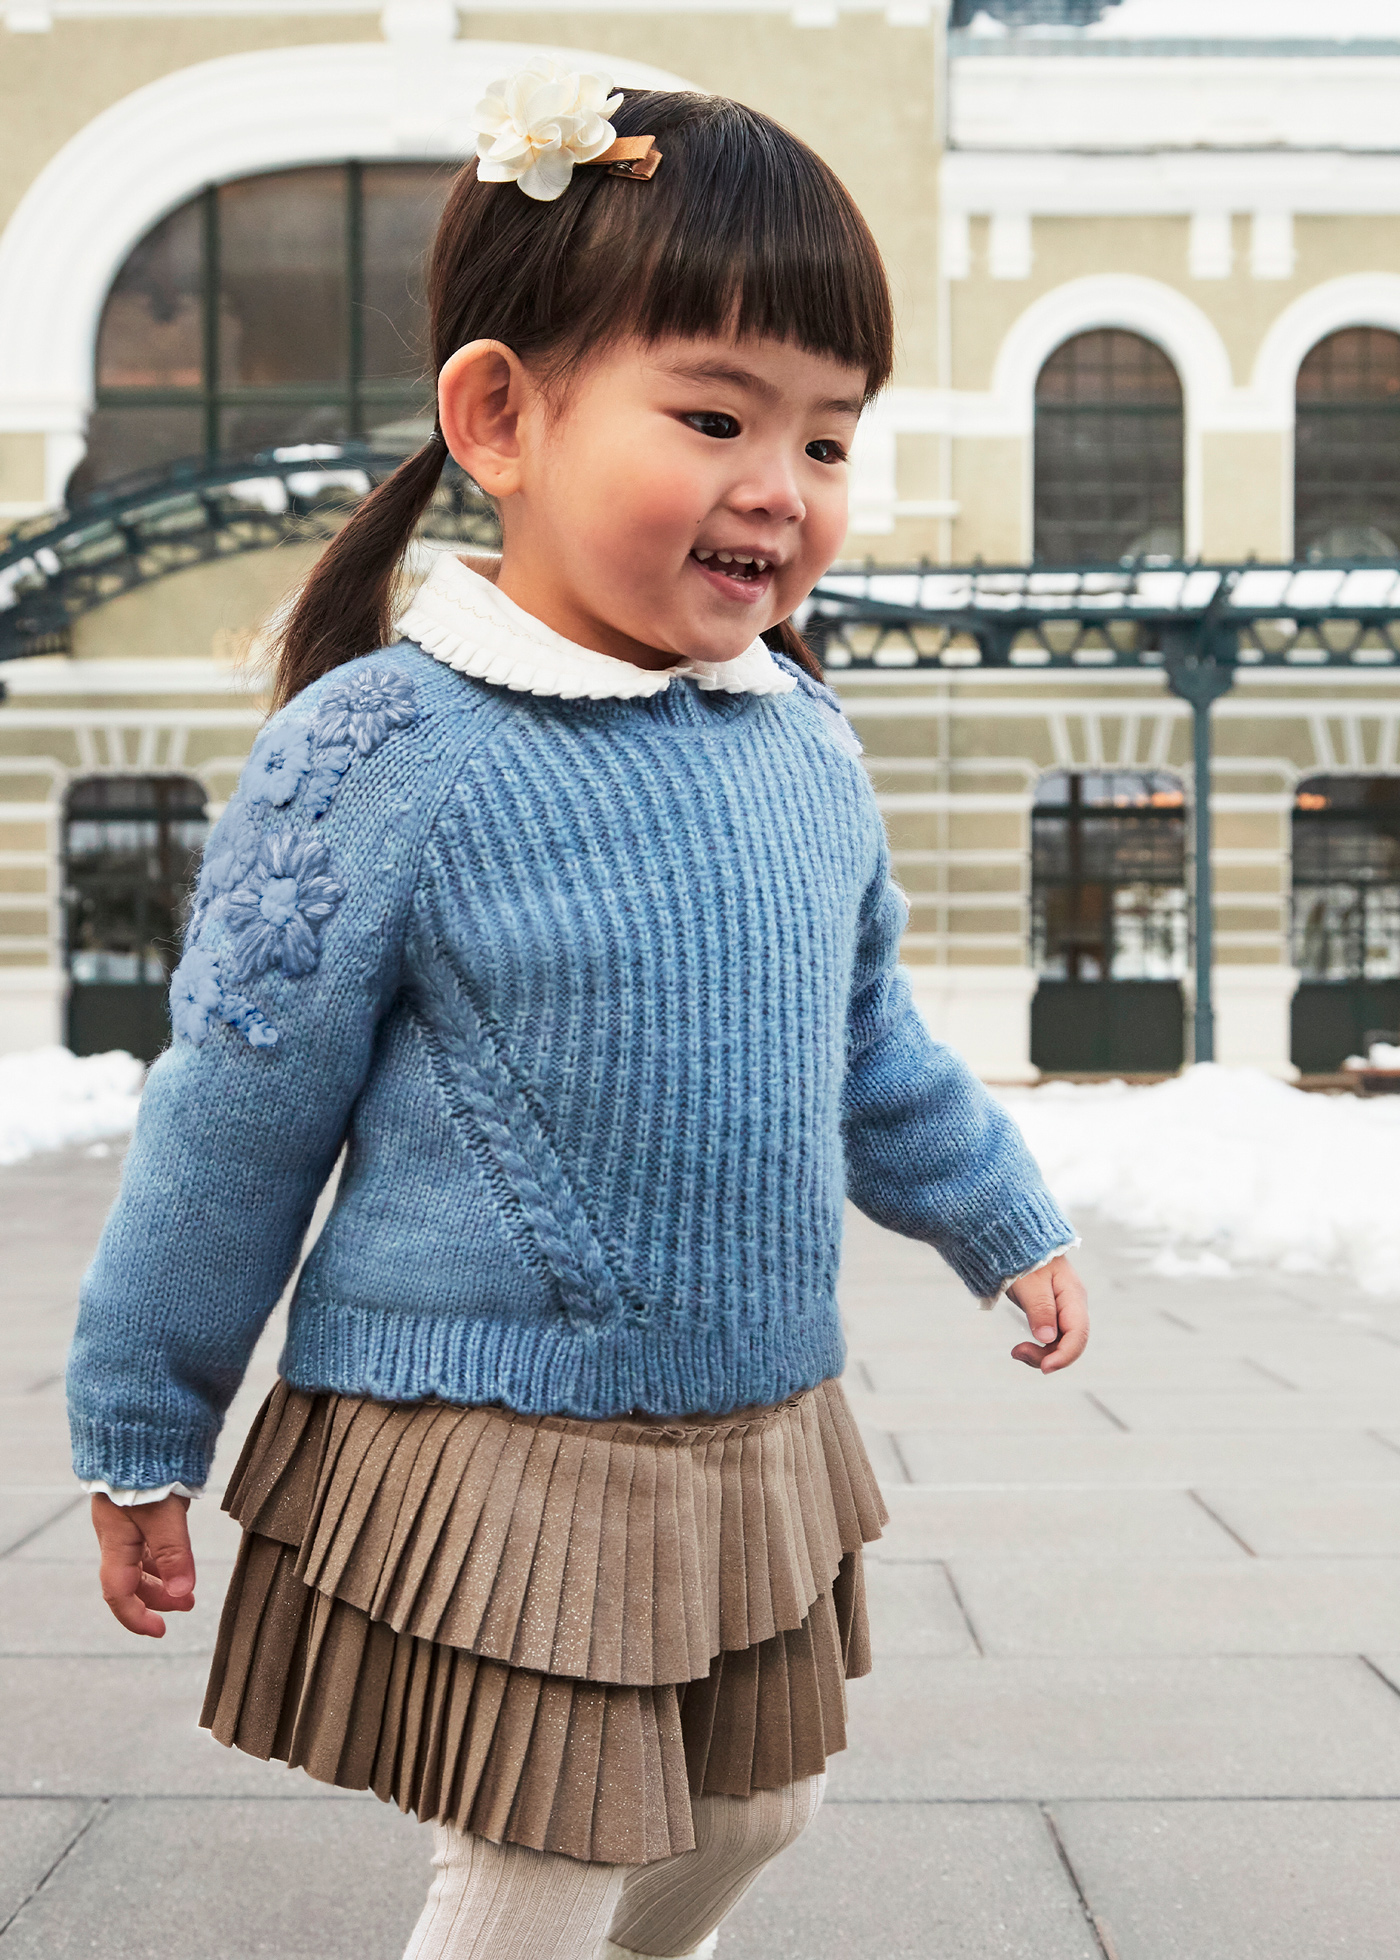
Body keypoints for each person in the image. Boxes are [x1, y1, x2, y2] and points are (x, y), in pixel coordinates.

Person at [67, 67, 1088, 1960]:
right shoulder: (388, 750)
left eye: (830, 438)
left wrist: (997, 1212)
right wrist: (145, 1410)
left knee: (758, 1806)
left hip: (751, 1413)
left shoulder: (800, 741)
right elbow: (235, 1115)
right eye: (714, 416)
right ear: (501, 418)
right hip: (499, 1432)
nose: (780, 487)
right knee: (538, 1856)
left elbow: (866, 1041)